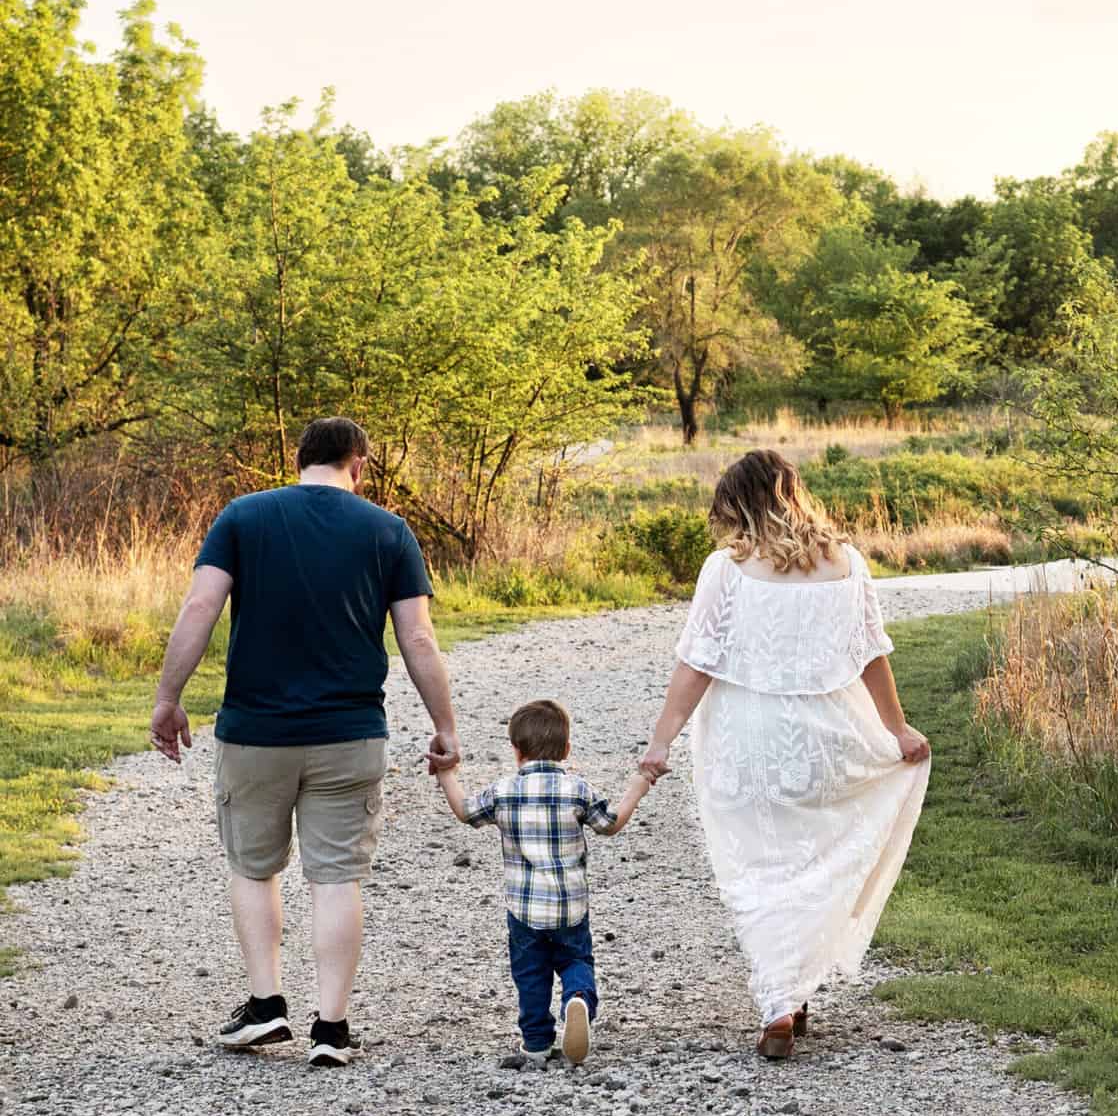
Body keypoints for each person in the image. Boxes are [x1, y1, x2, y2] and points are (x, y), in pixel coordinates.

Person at [150, 416, 460, 1067]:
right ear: (359, 465)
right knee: (337, 877)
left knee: (253, 867)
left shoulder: (243, 516)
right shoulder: (389, 530)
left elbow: (200, 607)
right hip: (350, 736)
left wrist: (168, 698)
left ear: (299, 460)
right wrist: (445, 725)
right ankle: (332, 1028)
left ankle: (266, 1004)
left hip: (255, 733)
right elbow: (418, 637)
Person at [638, 449, 931, 1061]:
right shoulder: (847, 563)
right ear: (794, 494)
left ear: (738, 505)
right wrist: (897, 729)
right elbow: (872, 656)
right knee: (819, 860)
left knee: (757, 871)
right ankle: (792, 992)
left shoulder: (727, 569)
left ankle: (778, 1000)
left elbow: (696, 663)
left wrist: (661, 740)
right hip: (829, 738)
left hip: (746, 741)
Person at [434, 699, 649, 1067]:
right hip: (569, 906)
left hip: (524, 910)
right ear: (566, 749)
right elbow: (610, 823)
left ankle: (535, 1041)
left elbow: (464, 811)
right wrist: (639, 786)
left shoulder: (503, 791)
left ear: (516, 751)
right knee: (576, 959)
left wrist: (446, 774)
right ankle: (577, 999)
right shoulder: (577, 790)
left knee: (530, 974)